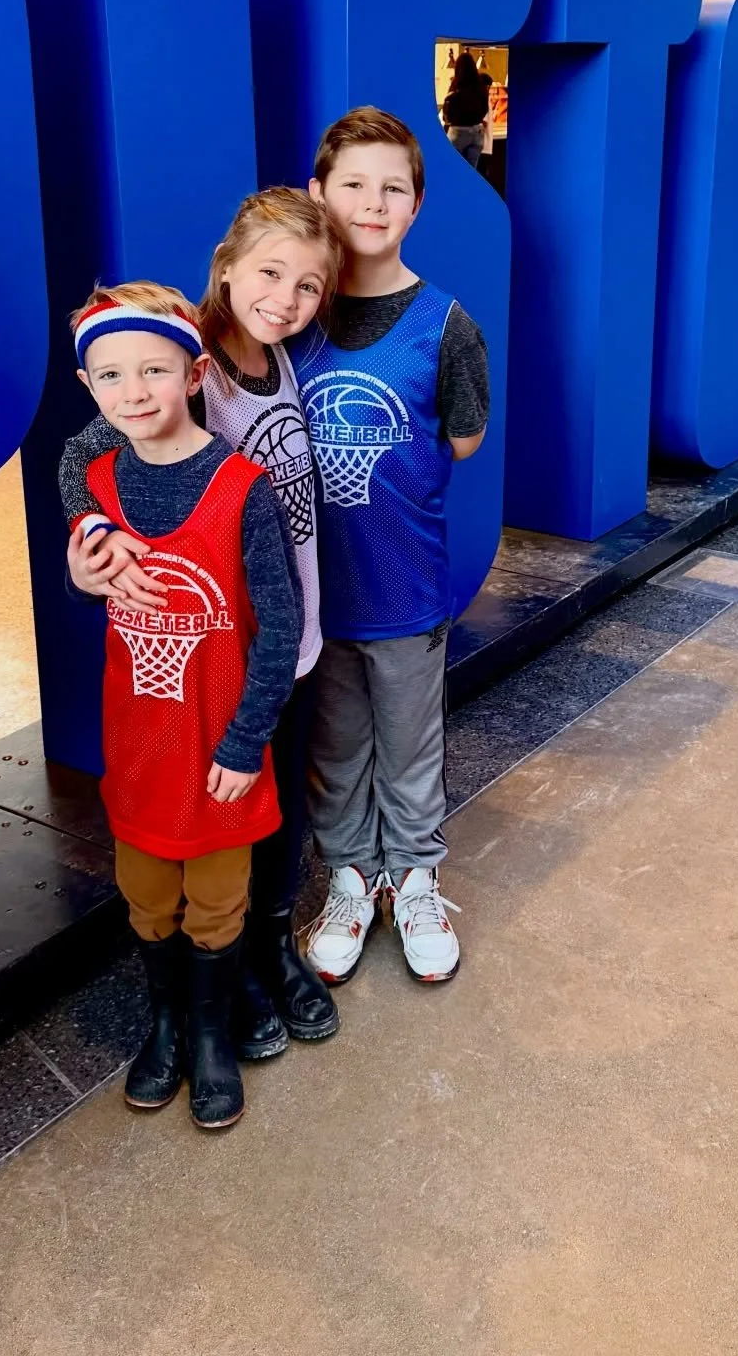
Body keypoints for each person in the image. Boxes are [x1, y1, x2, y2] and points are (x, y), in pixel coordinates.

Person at [61, 190, 344, 1054]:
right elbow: (84, 454)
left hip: (282, 641)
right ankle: (239, 976)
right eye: (269, 274)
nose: (286, 298)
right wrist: (91, 533)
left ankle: (264, 945)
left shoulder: (276, 352)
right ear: (225, 268)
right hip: (221, 647)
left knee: (274, 808)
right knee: (231, 813)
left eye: (307, 285)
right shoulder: (188, 364)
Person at [67, 283, 302, 1129]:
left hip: (217, 752)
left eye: (155, 371)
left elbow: (282, 624)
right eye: (110, 376)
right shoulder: (96, 486)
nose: (133, 392)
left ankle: (210, 1038)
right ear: (89, 390)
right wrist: (82, 557)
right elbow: (90, 572)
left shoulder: (242, 487)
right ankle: (164, 1025)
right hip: (139, 750)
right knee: (145, 897)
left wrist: (246, 742)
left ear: (195, 372)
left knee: (214, 901)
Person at [297, 106, 489, 984]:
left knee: (410, 741)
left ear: (415, 205)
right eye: (354, 185)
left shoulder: (447, 324)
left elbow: (460, 440)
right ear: (318, 195)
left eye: (394, 189)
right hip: (311, 597)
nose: (373, 204)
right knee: (335, 743)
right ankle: (350, 876)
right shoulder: (287, 317)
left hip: (405, 586)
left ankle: (413, 874)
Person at [441, 50, 488, 169]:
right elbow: (485, 109)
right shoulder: (480, 87)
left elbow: (447, 114)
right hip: (477, 132)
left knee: (453, 170)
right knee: (472, 170)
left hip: (458, 132)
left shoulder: (456, 87)